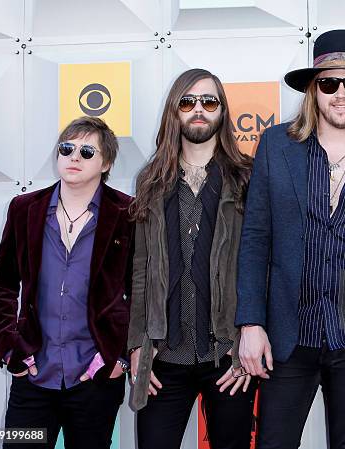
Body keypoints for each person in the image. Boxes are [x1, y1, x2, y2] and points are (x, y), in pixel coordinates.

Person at [235, 29, 345, 449]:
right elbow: (256, 238)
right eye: (329, 82)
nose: (340, 93)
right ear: (313, 91)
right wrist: (251, 323)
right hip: (288, 332)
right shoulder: (277, 144)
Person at [0, 116, 134, 449]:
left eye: (86, 151)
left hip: (95, 379)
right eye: (67, 149)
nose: (74, 157)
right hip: (34, 377)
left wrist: (119, 357)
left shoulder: (127, 213)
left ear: (106, 162)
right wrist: (10, 349)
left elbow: (140, 291)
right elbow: (1, 286)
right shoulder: (25, 209)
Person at [128, 68, 256, 449]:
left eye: (208, 101)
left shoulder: (246, 177)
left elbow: (261, 263)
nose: (198, 109)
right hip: (164, 357)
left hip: (227, 354)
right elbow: (140, 270)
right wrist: (137, 345)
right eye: (188, 101)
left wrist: (247, 335)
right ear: (174, 112)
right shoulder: (151, 180)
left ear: (222, 112)